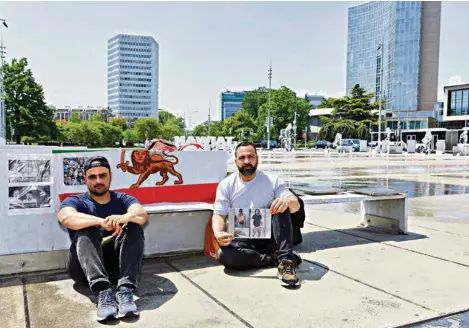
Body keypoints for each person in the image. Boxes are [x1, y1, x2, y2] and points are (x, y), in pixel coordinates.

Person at [58, 156, 149, 322]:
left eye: (102, 175)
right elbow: (65, 218)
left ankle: (126, 291)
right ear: (85, 179)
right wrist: (99, 221)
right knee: (87, 229)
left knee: (134, 226)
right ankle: (103, 292)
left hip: (115, 270)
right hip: (83, 271)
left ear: (110, 176)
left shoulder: (122, 199)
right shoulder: (75, 201)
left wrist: (124, 217)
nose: (98, 180)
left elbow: (142, 215)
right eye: (92, 177)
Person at [212, 141, 302, 286]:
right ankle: (275, 259)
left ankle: (285, 262)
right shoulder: (226, 185)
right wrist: (218, 232)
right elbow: (219, 214)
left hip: (271, 237)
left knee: (281, 205)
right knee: (225, 256)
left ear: (257, 158)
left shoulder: (272, 181)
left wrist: (286, 202)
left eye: (251, 156)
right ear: (235, 161)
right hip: (243, 235)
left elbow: (295, 204)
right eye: (242, 158)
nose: (247, 161)